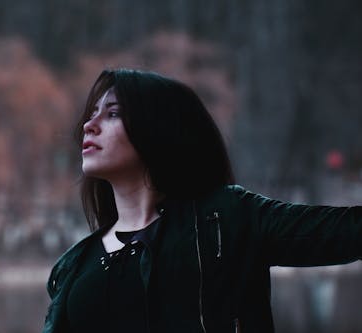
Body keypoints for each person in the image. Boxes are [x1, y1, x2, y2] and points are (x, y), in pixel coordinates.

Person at [42, 68, 362, 333]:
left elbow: (342, 232)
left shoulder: (225, 219)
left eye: (112, 113)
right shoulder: (74, 265)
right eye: (91, 114)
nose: (89, 125)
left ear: (157, 128)